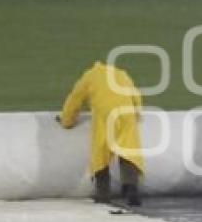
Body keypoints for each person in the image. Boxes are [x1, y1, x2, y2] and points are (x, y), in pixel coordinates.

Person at [57, 61, 143, 206]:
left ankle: (103, 193)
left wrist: (66, 121)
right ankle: (131, 186)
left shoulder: (89, 76)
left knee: (100, 151)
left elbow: (75, 99)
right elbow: (136, 96)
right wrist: (137, 114)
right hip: (126, 113)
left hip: (105, 115)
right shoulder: (122, 74)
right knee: (128, 149)